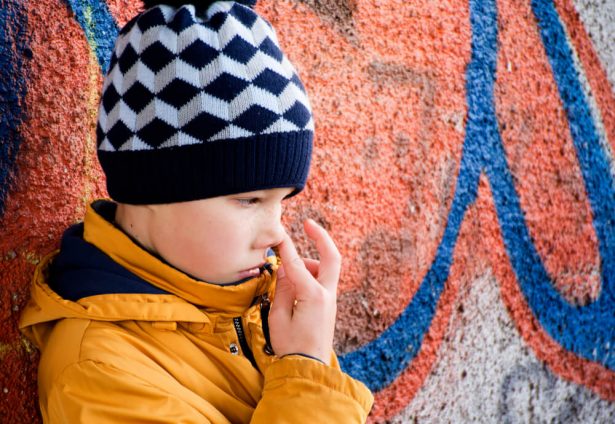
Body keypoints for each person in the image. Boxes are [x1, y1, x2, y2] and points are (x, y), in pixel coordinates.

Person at [19, 0, 374, 422]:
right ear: (153, 188)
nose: (276, 234)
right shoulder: (99, 374)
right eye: (249, 200)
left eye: (282, 201)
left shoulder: (264, 310)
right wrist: (306, 369)